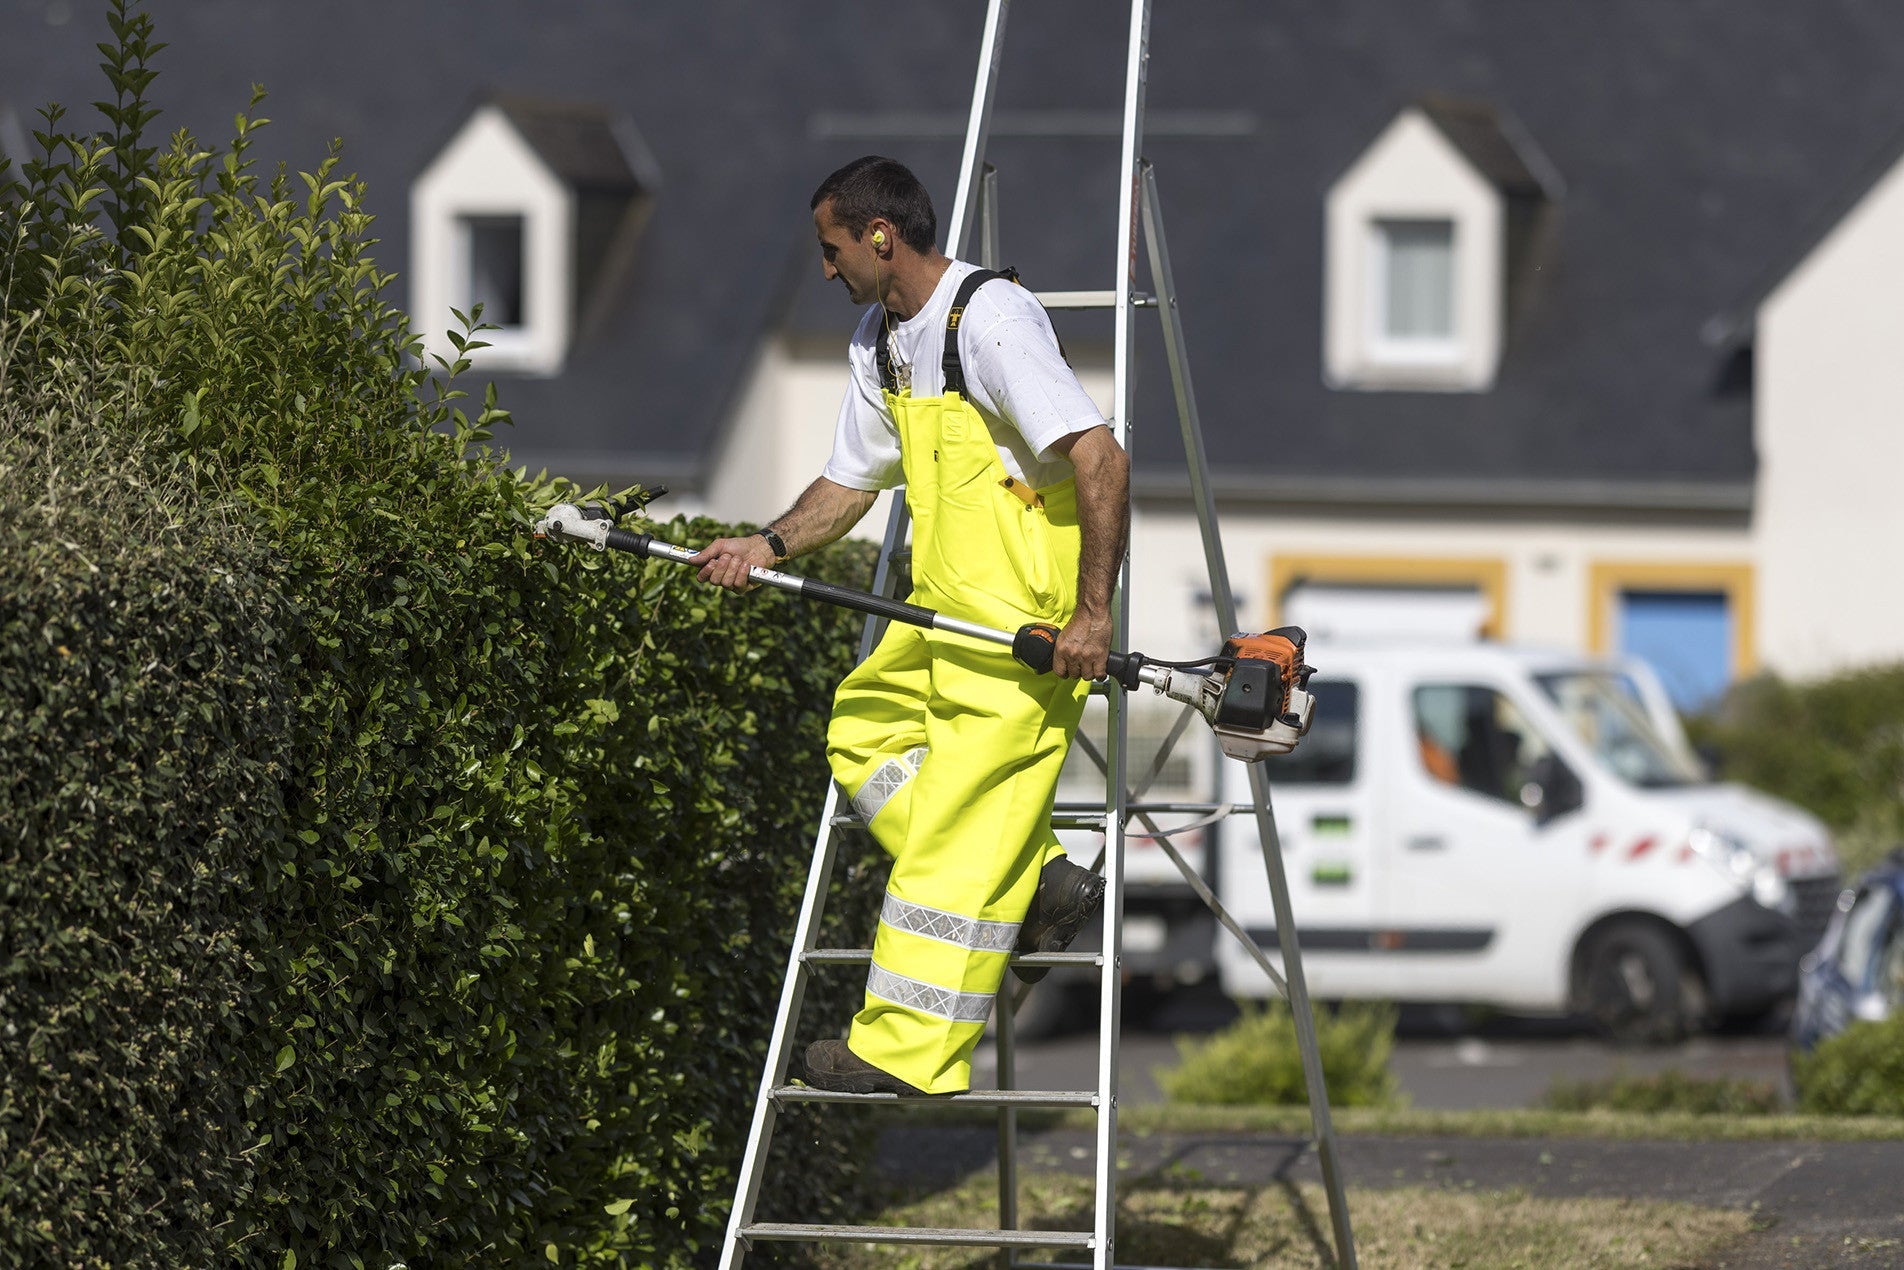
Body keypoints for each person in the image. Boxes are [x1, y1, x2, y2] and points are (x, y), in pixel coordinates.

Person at [690, 155, 1130, 1096]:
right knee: (864, 731)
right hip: (943, 605)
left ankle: (904, 1053)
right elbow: (850, 481)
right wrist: (766, 543)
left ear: (879, 238)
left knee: (961, 830)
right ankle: (1045, 877)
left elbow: (1099, 459)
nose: (825, 268)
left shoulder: (992, 322)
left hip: (1023, 622)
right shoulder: (881, 341)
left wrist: (1092, 616)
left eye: (831, 247)